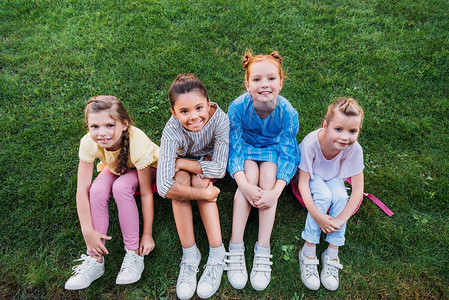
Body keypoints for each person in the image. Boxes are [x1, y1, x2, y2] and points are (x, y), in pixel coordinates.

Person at [64, 96, 159, 290]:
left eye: (109, 125)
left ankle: (133, 254)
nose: (102, 133)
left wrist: (147, 234)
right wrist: (87, 231)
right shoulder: (89, 143)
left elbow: (147, 193)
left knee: (121, 187)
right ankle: (95, 258)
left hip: (149, 170)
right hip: (118, 166)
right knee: (97, 189)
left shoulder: (137, 144)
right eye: (94, 127)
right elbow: (82, 189)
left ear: (124, 124)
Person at [226, 51, 300, 291]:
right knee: (250, 178)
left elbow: (289, 152)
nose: (264, 85)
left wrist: (276, 191)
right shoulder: (237, 107)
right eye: (257, 79)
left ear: (281, 82)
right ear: (247, 84)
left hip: (272, 149)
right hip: (246, 148)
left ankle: (263, 248)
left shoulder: (288, 113)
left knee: (268, 180)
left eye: (271, 79)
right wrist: (244, 185)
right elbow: (234, 147)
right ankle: (236, 246)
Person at [156, 74, 229, 299]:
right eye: (184, 111)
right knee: (179, 184)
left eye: (199, 108)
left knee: (199, 179)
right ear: (174, 113)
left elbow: (219, 169)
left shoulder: (220, 120)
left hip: (202, 163)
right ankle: (190, 255)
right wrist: (203, 195)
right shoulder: (171, 131)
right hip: (183, 168)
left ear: (208, 104)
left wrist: (181, 162)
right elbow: (162, 187)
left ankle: (217, 253)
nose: (194, 116)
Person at [297, 97, 364, 291]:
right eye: (339, 129)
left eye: (352, 131)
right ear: (325, 126)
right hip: (311, 176)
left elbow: (357, 190)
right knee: (325, 196)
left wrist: (341, 219)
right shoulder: (311, 144)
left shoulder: (354, 149)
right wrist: (319, 217)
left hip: (334, 176)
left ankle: (332, 252)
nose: (345, 137)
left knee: (342, 197)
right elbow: (303, 183)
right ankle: (308, 250)